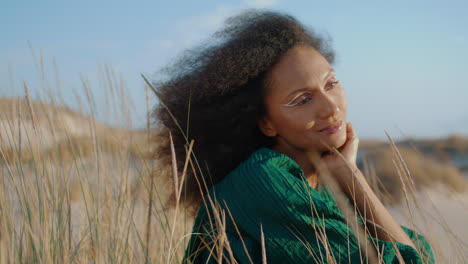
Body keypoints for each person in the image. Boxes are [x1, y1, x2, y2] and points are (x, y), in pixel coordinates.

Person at [152, 9, 435, 264]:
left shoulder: (318, 183)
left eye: (331, 83)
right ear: (267, 124)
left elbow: (417, 251)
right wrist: (352, 179)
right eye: (302, 100)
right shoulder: (262, 181)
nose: (331, 107)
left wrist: (349, 174)